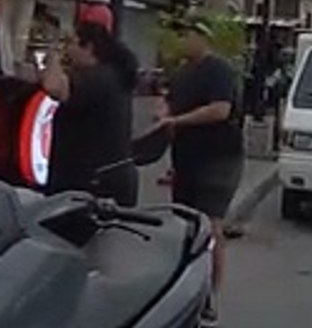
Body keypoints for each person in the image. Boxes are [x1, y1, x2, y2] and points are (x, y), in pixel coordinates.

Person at [157, 17, 243, 328]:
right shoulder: (181, 74)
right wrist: (164, 114)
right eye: (180, 35)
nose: (182, 40)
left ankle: (209, 297)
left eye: (187, 34)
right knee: (185, 227)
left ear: (202, 37)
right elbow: (169, 104)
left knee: (211, 226)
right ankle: (185, 288)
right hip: (187, 160)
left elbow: (220, 109)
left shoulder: (218, 69)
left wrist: (177, 121)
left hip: (219, 159)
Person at [40, 20, 139, 207]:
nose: (69, 50)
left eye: (71, 43)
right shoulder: (113, 75)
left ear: (88, 47)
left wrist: (54, 53)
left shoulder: (96, 78)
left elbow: (53, 87)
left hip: (91, 183)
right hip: (108, 176)